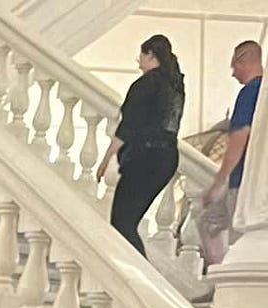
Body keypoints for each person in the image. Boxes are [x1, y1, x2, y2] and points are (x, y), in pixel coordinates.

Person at [96, 34, 186, 253]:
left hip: (145, 157)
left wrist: (106, 160)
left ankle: (139, 272)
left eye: (141, 56)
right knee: (128, 221)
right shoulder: (175, 86)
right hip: (167, 158)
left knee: (122, 222)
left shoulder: (146, 84)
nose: (139, 62)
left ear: (151, 55)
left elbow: (128, 126)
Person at [200, 40, 262, 267]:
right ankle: (221, 271)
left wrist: (219, 181)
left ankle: (225, 275)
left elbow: (239, 139)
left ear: (244, 60)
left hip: (243, 180)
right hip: (255, 180)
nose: (233, 73)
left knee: (239, 237)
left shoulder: (249, 93)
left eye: (234, 65)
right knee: (210, 220)